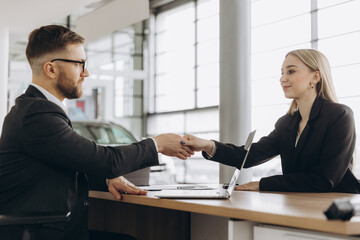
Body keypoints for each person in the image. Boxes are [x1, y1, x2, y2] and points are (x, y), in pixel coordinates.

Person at [0, 25, 194, 240]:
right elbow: (105, 160)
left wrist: (106, 179)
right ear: (51, 69)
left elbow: (63, 165)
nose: (86, 72)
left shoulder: (32, 108)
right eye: (79, 64)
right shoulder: (37, 114)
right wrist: (157, 144)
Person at [183, 49, 360, 193]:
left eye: (291, 71)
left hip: (339, 208)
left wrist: (262, 184)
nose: (282, 78)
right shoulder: (287, 123)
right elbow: (250, 156)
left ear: (315, 77)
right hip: (299, 205)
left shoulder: (340, 116)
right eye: (282, 73)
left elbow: (323, 180)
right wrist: (207, 145)